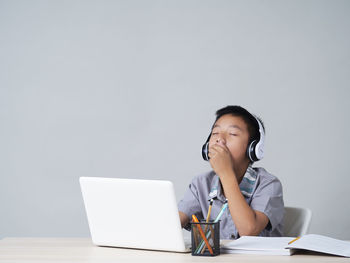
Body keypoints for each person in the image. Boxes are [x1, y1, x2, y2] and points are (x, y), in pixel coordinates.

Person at [178, 105, 284, 239]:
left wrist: (226, 174)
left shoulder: (269, 184)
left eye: (233, 134)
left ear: (253, 148)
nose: (219, 139)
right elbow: (173, 224)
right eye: (215, 133)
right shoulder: (201, 183)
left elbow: (249, 230)